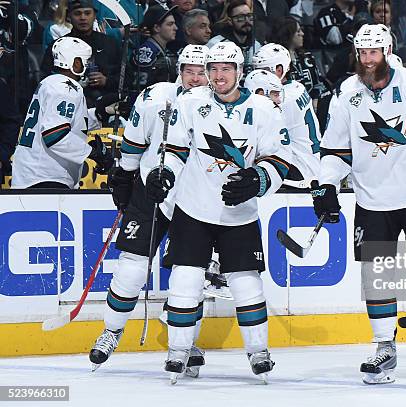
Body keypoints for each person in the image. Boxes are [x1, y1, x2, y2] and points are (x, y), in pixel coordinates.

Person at [313, 24, 406, 384]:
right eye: (362, 53)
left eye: (373, 52)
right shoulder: (347, 93)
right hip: (371, 199)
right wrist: (326, 184)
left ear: (388, 50)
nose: (367, 60)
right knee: (375, 278)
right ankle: (384, 348)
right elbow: (335, 150)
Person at [162, 41, 292, 384]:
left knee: (247, 283)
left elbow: (279, 159)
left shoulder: (265, 109)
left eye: (226, 69)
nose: (219, 76)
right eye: (213, 69)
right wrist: (165, 173)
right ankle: (178, 351)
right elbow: (174, 149)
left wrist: (258, 178)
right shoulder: (190, 102)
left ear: (239, 72)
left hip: (239, 213)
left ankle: (258, 352)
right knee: (185, 280)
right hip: (193, 207)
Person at [88, 44, 209, 374]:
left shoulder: (221, 107)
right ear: (179, 70)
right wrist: (125, 177)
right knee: (131, 267)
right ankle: (111, 331)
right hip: (151, 190)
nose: (195, 79)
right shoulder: (156, 97)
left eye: (202, 72)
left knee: (189, 276)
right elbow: (135, 140)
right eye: (189, 71)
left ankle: (184, 343)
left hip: (197, 199)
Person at [11, 37, 114, 189]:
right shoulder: (66, 88)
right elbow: (54, 135)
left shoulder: (50, 83)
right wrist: (92, 153)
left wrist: (101, 113)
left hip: (33, 174)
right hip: (45, 177)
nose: (88, 66)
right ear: (76, 63)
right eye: (86, 61)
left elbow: (68, 124)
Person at [252, 43, 321, 186]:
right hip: (310, 162)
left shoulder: (283, 99)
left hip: (300, 169)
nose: (258, 76)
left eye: (264, 70)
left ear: (279, 69)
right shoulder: (296, 87)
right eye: (255, 70)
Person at [41, 0, 121, 108]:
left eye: (87, 13)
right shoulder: (58, 46)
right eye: (77, 13)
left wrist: (107, 81)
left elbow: (127, 77)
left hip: (105, 106)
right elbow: (45, 78)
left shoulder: (110, 44)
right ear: (69, 17)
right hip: (66, 104)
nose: (83, 18)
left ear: (94, 16)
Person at [131, 5, 178, 91]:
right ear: (156, 28)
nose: (176, 28)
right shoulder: (146, 52)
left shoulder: (165, 51)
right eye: (170, 24)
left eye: (174, 23)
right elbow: (140, 89)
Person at [207, 0, 261, 68]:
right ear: (230, 21)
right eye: (240, 17)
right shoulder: (215, 44)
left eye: (249, 16)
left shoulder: (256, 45)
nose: (247, 20)